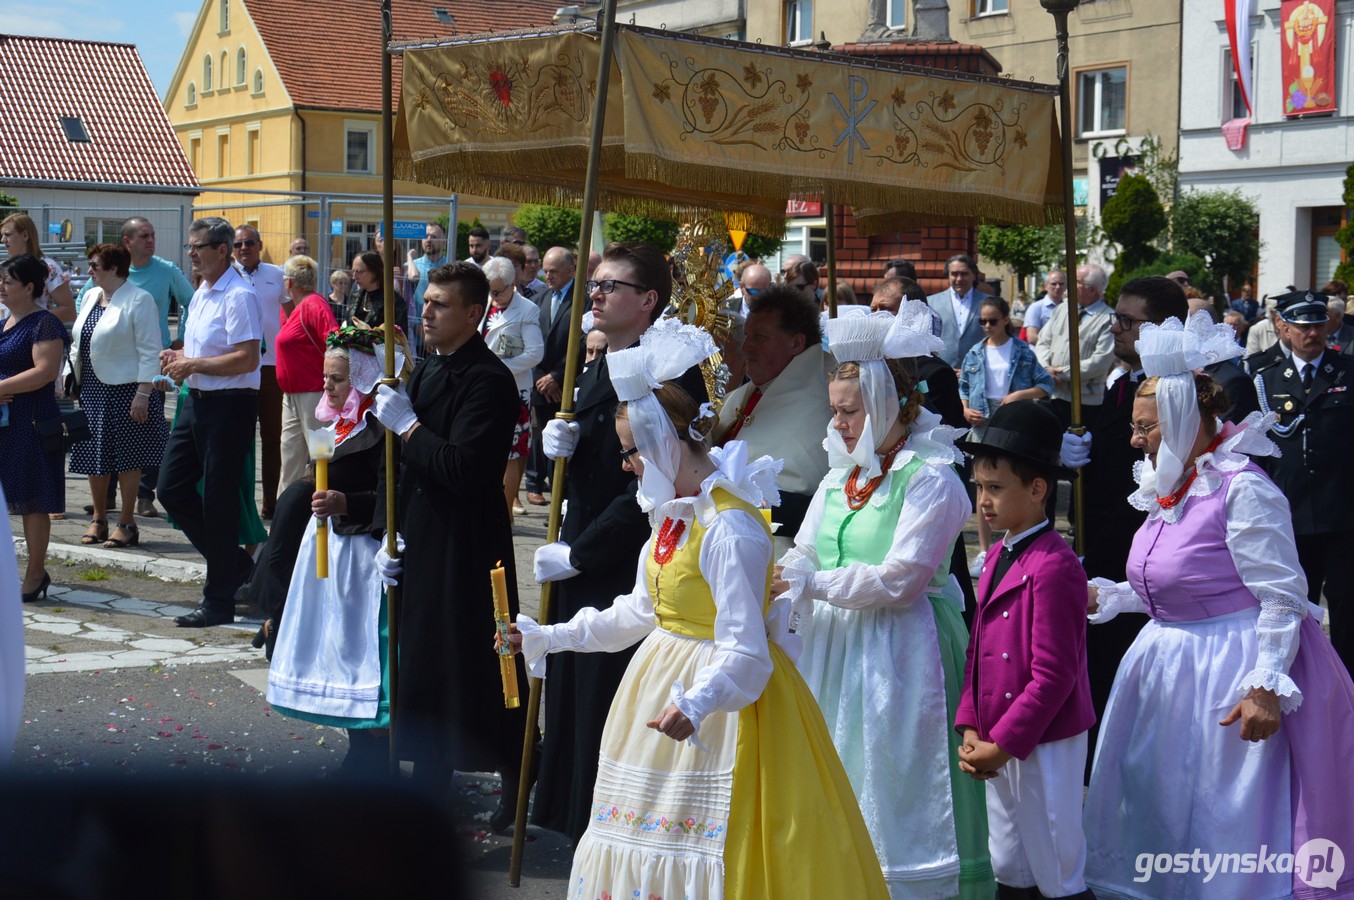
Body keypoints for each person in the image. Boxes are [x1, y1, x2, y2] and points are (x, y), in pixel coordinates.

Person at [509, 323, 890, 898]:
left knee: (711, 850)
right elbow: (640, 612)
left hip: (721, 705)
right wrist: (548, 636)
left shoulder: (728, 527)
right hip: (661, 685)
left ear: (665, 442)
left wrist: (697, 701)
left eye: (631, 451)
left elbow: (746, 650)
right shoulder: (672, 518)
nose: (627, 465)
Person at [1082, 312, 1354, 898]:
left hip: (1224, 669)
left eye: (1146, 427)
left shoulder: (1242, 488)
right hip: (1164, 665)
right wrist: (1108, 596)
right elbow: (1176, 583)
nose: (1135, 440)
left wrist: (1264, 688)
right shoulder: (1168, 485)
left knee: (1218, 810)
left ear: (1183, 419)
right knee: (1160, 799)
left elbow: (1283, 596)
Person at [774, 305, 994, 899]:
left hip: (901, 651)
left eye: (850, 411)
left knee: (892, 780)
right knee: (834, 769)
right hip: (832, 647)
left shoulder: (931, 478)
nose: (840, 424)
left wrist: (810, 584)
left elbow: (902, 578)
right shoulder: (838, 477)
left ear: (887, 405)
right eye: (836, 411)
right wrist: (786, 573)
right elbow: (805, 550)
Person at [529, 242, 708, 841]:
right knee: (575, 685)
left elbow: (656, 484)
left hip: (625, 551)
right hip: (581, 531)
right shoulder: (596, 357)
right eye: (596, 284)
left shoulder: (667, 368)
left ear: (648, 300)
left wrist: (581, 552)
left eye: (611, 286)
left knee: (608, 686)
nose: (596, 294)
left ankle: (602, 819)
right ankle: (569, 804)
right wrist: (550, 433)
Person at [369, 261, 524, 799]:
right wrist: (384, 529)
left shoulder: (488, 380)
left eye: (439, 304)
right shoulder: (430, 367)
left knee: (474, 662)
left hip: (466, 541)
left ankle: (515, 771)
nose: (425, 311)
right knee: (425, 660)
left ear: (474, 314)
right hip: (422, 531)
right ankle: (429, 776)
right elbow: (400, 464)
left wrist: (409, 426)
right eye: (426, 301)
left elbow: (464, 468)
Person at [956, 400, 1095, 900]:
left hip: (1044, 738)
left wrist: (1004, 743)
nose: (984, 501)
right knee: (1010, 862)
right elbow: (978, 652)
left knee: (1054, 862)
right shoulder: (996, 552)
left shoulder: (1056, 565)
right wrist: (972, 726)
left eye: (995, 488)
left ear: (1038, 490)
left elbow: (1054, 675)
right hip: (998, 732)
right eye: (979, 488)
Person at [265, 327, 402, 774]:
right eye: (326, 376)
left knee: (364, 652)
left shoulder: (383, 428)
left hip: (366, 552)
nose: (326, 385)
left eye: (337, 378)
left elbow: (393, 492)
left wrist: (347, 501)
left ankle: (376, 754)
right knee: (336, 649)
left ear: (363, 378)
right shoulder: (341, 421)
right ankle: (358, 747)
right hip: (331, 547)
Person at [158, 217, 262, 628]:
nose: (191, 253)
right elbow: (203, 346)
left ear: (222, 250)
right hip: (196, 401)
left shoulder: (239, 294)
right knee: (171, 487)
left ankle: (217, 600)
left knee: (217, 502)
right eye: (190, 246)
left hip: (230, 404)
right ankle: (236, 566)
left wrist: (192, 362)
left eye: (198, 246)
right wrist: (178, 353)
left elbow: (247, 358)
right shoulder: (202, 290)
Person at [1252, 290, 1354, 675]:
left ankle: (1346, 685)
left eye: (1318, 324)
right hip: (1290, 513)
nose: (1313, 333)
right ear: (1284, 327)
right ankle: (1302, 680)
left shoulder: (1348, 371)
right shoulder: (1265, 376)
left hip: (1344, 513)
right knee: (1295, 605)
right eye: (1303, 326)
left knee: (1347, 608)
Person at [713, 285, 833, 555]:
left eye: (760, 338)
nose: (746, 347)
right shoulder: (746, 392)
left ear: (796, 343)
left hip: (782, 552)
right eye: (747, 336)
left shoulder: (829, 389)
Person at [68, 243, 167, 551]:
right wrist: (67, 378)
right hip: (93, 388)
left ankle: (127, 522)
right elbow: (78, 341)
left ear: (113, 269)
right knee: (91, 454)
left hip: (127, 389)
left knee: (127, 457)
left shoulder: (139, 299)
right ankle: (99, 519)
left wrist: (142, 394)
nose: (88, 271)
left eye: (94, 266)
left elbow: (150, 350)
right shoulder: (91, 296)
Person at [960, 296, 1055, 574]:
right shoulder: (975, 352)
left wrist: (1019, 395)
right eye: (982, 321)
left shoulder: (1022, 351)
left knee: (1011, 482)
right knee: (983, 485)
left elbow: (1045, 384)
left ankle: (1016, 541)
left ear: (1005, 320)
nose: (987, 326)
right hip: (981, 419)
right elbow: (964, 386)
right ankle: (984, 549)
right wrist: (965, 409)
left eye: (992, 320)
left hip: (1013, 420)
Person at [0, 255, 69, 602]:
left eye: (7, 282)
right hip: (6, 425)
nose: (0, 286)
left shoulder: (44, 324)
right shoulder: (4, 322)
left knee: (33, 500)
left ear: (29, 288)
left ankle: (35, 572)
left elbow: (44, 371)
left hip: (31, 423)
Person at [480, 256, 543, 521]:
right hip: (483, 388)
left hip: (514, 390)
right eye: (490, 290)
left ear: (511, 284)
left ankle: (505, 515)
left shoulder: (527, 309)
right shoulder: (484, 303)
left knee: (512, 452)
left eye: (498, 290)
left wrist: (498, 368)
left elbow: (535, 353)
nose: (494, 296)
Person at [233, 225, 287, 519]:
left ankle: (271, 501)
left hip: (271, 368)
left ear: (260, 244)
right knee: (239, 437)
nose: (244, 248)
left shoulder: (276, 274)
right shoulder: (227, 275)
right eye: (238, 244)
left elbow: (290, 313)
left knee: (273, 438)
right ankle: (241, 504)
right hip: (239, 367)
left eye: (249, 242)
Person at [275, 254, 338, 493]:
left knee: (322, 458)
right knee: (291, 459)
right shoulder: (297, 307)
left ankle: (324, 518)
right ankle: (286, 518)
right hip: (292, 396)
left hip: (315, 397)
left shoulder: (314, 304)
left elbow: (333, 340)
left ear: (290, 283)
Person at [1034, 263, 1115, 427]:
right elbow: (1043, 342)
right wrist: (1045, 368)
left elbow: (1100, 362)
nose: (1068, 285)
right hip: (1052, 395)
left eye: (1076, 281)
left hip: (1085, 402)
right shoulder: (1062, 309)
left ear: (1091, 290)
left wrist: (1061, 373)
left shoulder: (1109, 319)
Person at [525, 247, 576, 506]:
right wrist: (540, 377)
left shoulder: (585, 300)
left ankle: (564, 505)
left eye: (554, 271)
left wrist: (557, 376)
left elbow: (585, 342)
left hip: (570, 386)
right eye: (546, 271)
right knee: (546, 446)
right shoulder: (539, 299)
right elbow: (529, 342)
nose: (548, 276)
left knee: (568, 451)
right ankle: (552, 502)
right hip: (542, 389)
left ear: (571, 270)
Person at [0, 214, 75, 324]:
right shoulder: (3, 267)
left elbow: (69, 311)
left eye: (7, 235)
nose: (2, 240)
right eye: (2, 235)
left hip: (32, 337)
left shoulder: (48, 267)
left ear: (25, 235)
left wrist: (30, 322)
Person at [929, 254, 986, 369]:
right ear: (948, 276)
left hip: (978, 373)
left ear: (974, 275)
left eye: (964, 274)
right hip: (941, 372)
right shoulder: (931, 303)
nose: (959, 279)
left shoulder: (988, 303)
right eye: (954, 274)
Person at [350, 251, 406, 332]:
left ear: (374, 272)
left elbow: (398, 338)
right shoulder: (355, 296)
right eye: (353, 271)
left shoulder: (394, 301)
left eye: (359, 272)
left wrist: (370, 333)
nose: (354, 277)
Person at [1021, 270, 1066, 345]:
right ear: (1046, 286)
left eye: (1061, 284)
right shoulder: (1036, 308)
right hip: (1041, 354)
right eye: (1053, 284)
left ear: (1066, 286)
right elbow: (1032, 337)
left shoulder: (1068, 308)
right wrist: (1055, 347)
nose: (1058, 287)